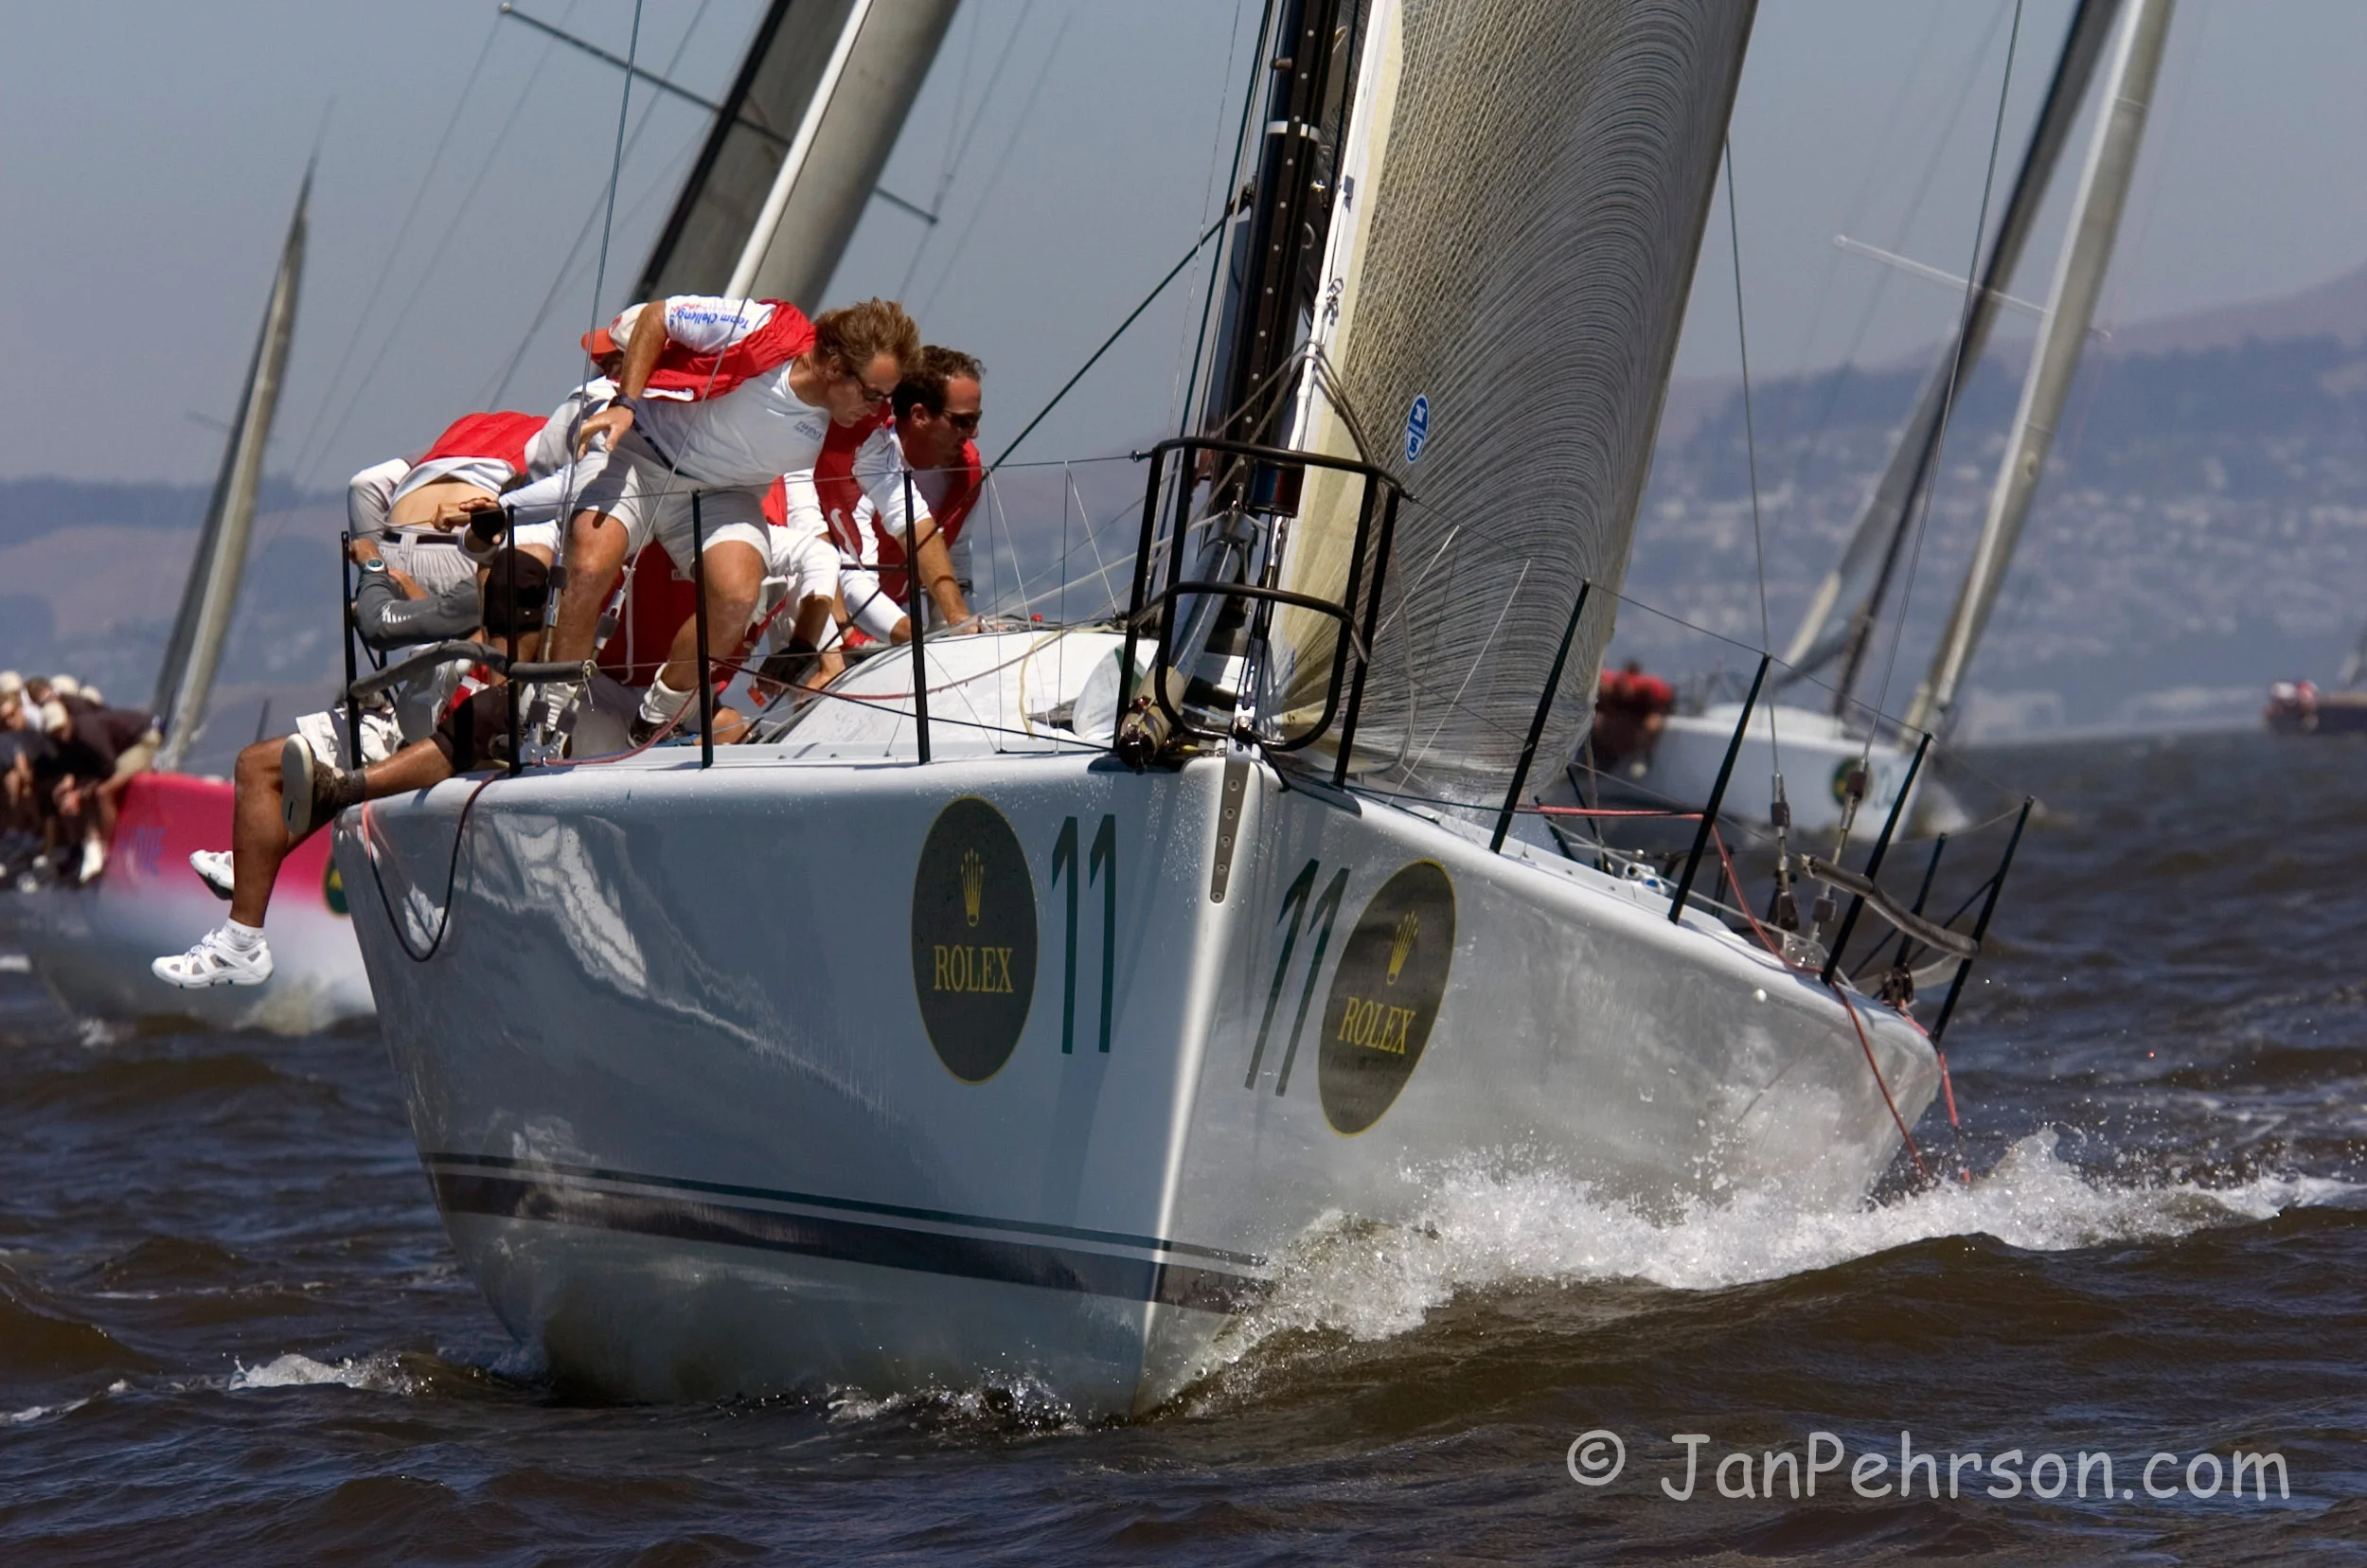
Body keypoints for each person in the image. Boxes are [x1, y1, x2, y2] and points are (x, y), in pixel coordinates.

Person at [153, 548, 551, 988]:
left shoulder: (514, 683)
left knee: (284, 772)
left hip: (435, 766)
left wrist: (373, 566)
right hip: (411, 732)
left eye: (491, 581)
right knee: (256, 764)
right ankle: (246, 912)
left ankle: (247, 909)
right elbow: (451, 621)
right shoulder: (478, 623)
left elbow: (441, 738)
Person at [537, 294, 923, 745]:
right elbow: (658, 316)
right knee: (588, 566)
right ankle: (548, 708)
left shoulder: (860, 425)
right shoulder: (763, 329)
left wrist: (946, 610)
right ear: (834, 367)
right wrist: (626, 401)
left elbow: (907, 510)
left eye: (887, 398)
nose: (877, 409)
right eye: (872, 394)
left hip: (723, 494)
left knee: (737, 596)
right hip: (645, 456)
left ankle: (662, 711)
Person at [795, 346, 983, 647]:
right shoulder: (865, 461)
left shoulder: (968, 470)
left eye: (976, 419)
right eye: (963, 421)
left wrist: (960, 630)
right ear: (919, 415)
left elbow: (957, 555)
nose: (973, 433)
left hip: (901, 610)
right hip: (829, 611)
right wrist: (915, 638)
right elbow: (853, 574)